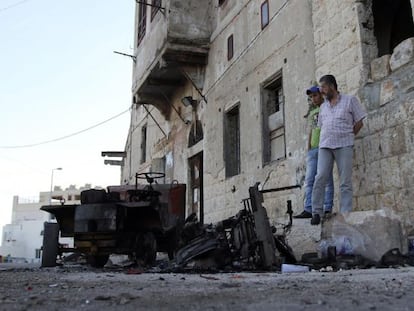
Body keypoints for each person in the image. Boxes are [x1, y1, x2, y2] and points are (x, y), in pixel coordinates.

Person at [311, 75, 367, 225]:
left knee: (345, 181)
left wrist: (348, 136)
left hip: (344, 145)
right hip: (325, 145)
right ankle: (316, 212)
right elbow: (322, 125)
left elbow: (359, 122)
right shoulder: (323, 107)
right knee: (320, 176)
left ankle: (345, 213)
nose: (321, 91)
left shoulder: (350, 100)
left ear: (332, 86)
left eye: (323, 87)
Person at [294, 86, 334, 219]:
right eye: (311, 97)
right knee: (309, 179)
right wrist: (309, 147)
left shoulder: (328, 107)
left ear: (321, 95)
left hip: (325, 147)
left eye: (315, 95)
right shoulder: (312, 113)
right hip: (313, 149)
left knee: (326, 178)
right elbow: (312, 130)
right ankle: (308, 208)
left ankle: (327, 207)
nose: (313, 99)